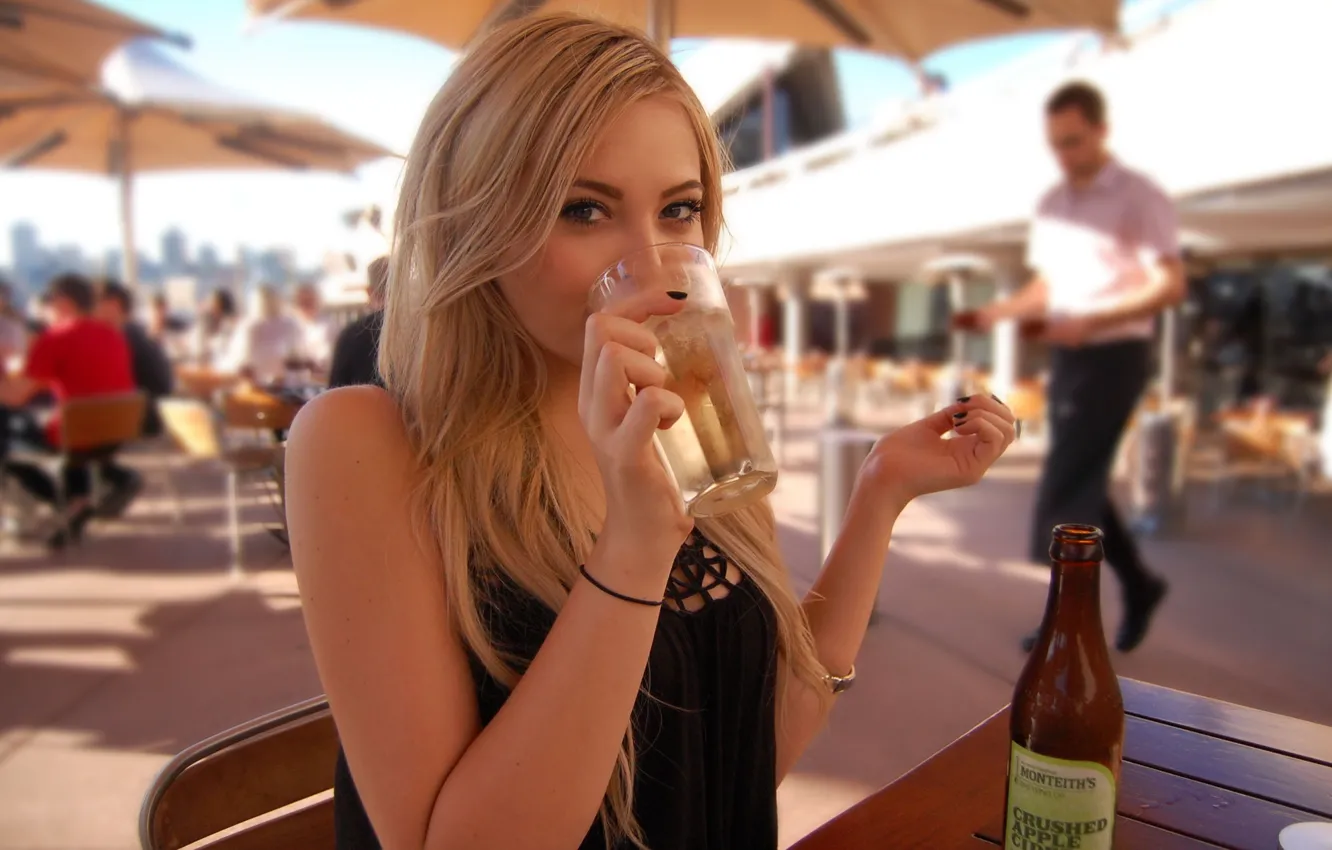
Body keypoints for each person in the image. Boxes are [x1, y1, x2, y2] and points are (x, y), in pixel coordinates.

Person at [284, 15, 1016, 850]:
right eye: (584, 209)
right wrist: (633, 544)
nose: (655, 263)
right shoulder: (367, 443)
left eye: (680, 210)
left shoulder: (691, 413)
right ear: (473, 227)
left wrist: (881, 493)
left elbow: (748, 758)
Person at [961, 81, 1182, 654]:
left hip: (1115, 356)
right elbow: (1048, 285)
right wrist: (998, 312)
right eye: (1056, 143)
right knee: (1080, 483)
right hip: (1070, 356)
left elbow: (1169, 284)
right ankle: (1140, 585)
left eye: (1074, 141)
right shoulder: (1055, 204)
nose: (1064, 154)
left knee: (1065, 490)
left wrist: (1094, 321)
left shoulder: (1139, 196)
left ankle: (1067, 627)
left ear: (1102, 131)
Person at [0, 273, 139, 544]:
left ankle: (65, 501)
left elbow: (15, 397)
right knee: (42, 428)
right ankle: (82, 496)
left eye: (49, 302)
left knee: (6, 446)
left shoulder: (56, 337)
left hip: (74, 435)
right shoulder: (113, 335)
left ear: (63, 303)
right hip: (115, 432)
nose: (46, 309)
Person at [97, 281, 174, 437]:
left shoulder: (122, 338)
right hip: (151, 417)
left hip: (137, 421)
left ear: (114, 305)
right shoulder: (137, 333)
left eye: (95, 303)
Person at [219, 285, 303, 386]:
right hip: (268, 383)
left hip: (279, 383)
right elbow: (239, 361)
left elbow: (298, 356)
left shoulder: (250, 326)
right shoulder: (250, 326)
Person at [327, 256, 387, 389]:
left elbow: (334, 391)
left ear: (369, 291)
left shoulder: (352, 334)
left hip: (361, 402)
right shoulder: (419, 332)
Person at [292, 282, 338, 375]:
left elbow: (329, 357)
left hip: (322, 377)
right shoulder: (292, 326)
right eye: (302, 302)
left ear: (317, 301)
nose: (305, 306)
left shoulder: (329, 325)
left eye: (309, 301)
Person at [193, 288, 239, 369]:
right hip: (205, 366)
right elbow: (199, 350)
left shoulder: (230, 325)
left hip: (224, 367)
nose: (210, 307)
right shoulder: (205, 321)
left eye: (214, 304)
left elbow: (226, 348)